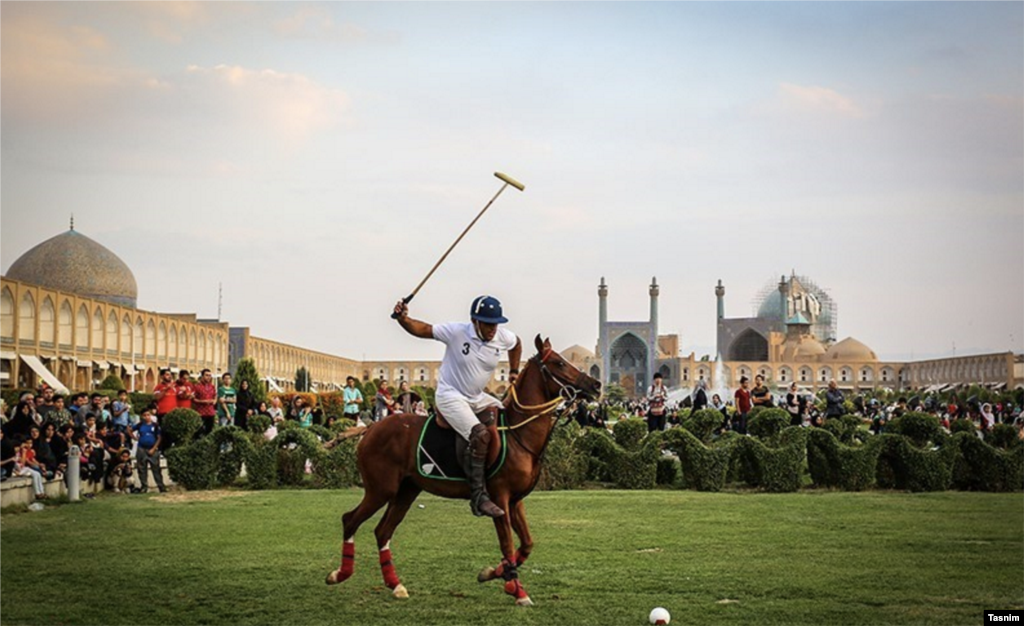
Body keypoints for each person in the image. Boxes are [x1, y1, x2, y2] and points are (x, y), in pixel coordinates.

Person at [393, 294, 522, 518]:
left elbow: (517, 343)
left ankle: (503, 476)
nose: (493, 329)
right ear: (475, 321)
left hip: (476, 397)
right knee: (480, 435)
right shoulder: (457, 332)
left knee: (509, 416)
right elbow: (423, 329)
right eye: (488, 324)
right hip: (450, 396)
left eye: (496, 324)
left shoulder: (502, 336)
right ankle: (479, 496)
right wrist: (403, 319)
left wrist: (514, 370)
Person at [133, 408, 166, 493]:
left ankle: (161, 486)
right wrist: (134, 437)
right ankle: (144, 487)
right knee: (142, 469)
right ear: (142, 416)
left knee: (156, 469)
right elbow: (129, 429)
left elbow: (159, 438)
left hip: (152, 449)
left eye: (148, 415)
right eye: (145, 415)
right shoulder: (140, 425)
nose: (147, 417)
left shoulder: (155, 426)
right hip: (141, 448)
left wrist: (153, 449)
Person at [192, 369, 218, 435]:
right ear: (202, 376)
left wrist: (214, 400)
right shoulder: (196, 386)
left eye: (209, 375)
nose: (208, 377)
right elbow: (193, 399)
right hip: (201, 413)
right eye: (206, 375)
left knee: (209, 433)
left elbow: (215, 396)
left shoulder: (212, 386)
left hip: (211, 413)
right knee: (199, 433)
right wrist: (203, 401)